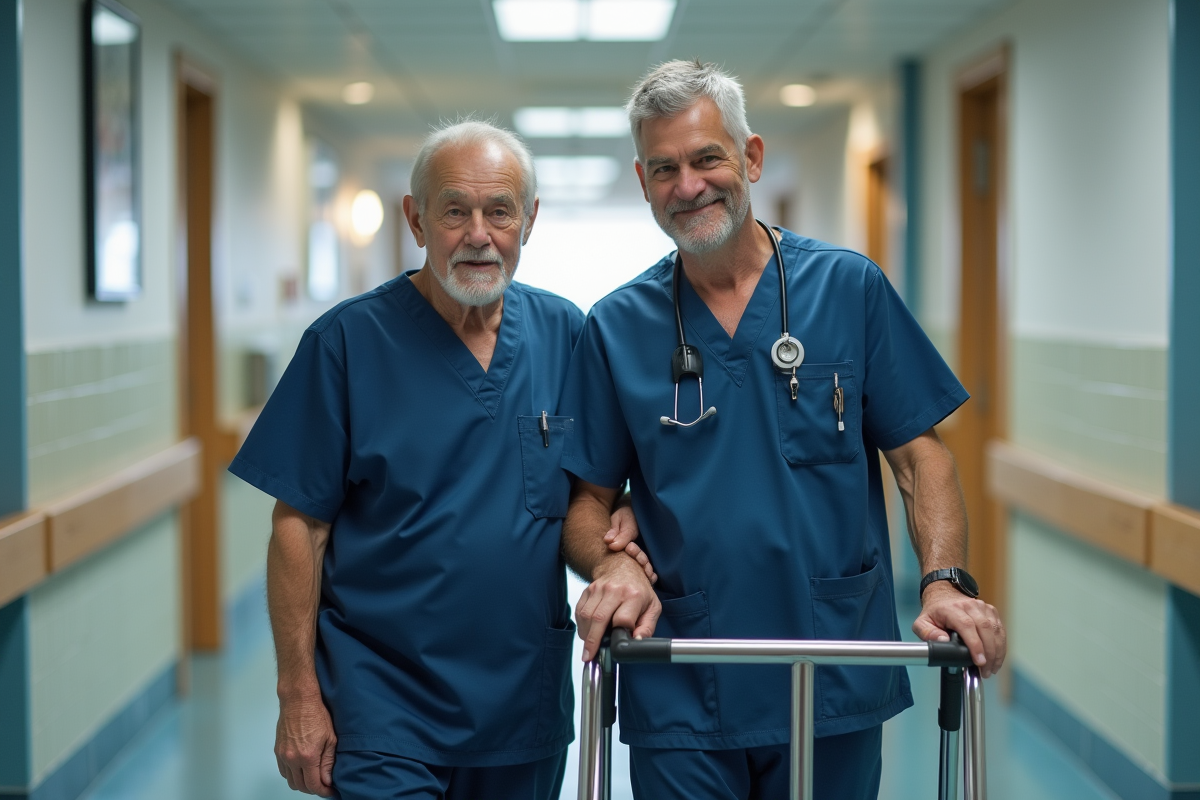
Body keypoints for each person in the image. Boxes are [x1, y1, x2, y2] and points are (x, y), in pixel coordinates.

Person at [560, 61, 1007, 800]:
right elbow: (585, 502)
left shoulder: (848, 287)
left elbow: (920, 460)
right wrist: (611, 566)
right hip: (682, 679)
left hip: (830, 665)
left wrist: (941, 583)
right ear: (642, 183)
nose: (688, 184)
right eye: (664, 168)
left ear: (752, 158)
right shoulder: (616, 325)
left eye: (708, 158)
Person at [228, 119, 651, 800]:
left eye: (499, 211)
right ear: (416, 219)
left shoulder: (567, 334)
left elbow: (590, 496)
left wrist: (617, 544)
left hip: (521, 705)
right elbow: (298, 527)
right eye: (455, 210)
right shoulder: (346, 343)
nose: (478, 234)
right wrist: (297, 693)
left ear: (530, 221)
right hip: (382, 704)